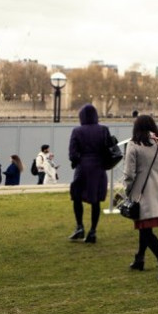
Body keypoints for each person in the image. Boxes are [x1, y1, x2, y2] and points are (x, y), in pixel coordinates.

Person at [123, 114, 158, 282]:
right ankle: (140, 259)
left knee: (145, 229)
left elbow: (129, 174)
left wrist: (128, 191)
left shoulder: (133, 145)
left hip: (141, 193)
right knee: (145, 228)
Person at [68, 104, 109, 243]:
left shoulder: (77, 131)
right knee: (95, 200)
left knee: (77, 197)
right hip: (99, 169)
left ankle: (79, 226)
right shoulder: (104, 130)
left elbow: (72, 154)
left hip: (83, 168)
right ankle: (93, 231)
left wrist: (78, 161)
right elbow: (108, 149)